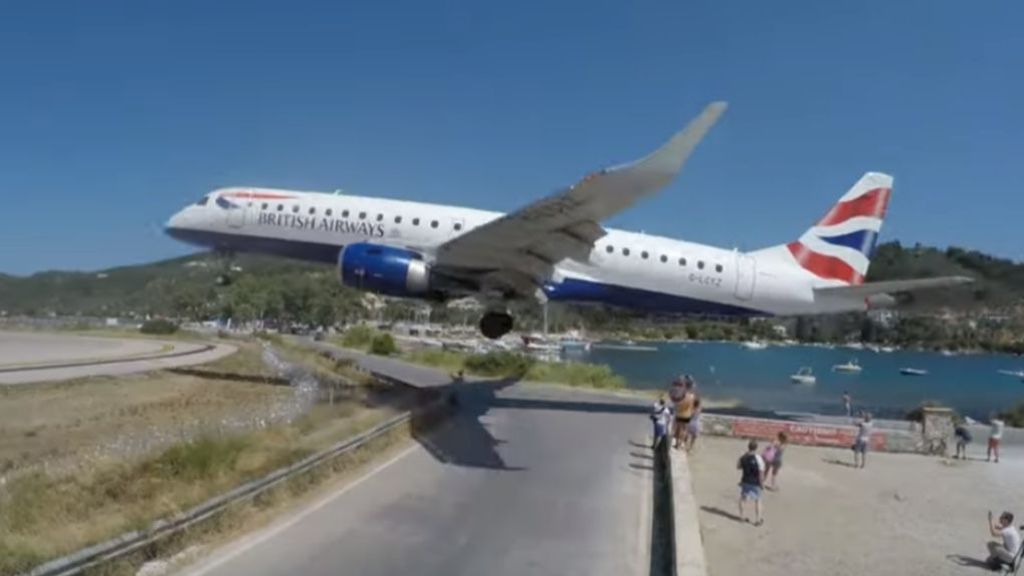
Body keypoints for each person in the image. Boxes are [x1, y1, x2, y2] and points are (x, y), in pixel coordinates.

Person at [737, 439, 765, 526]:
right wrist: (762, 483)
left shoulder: (743, 457)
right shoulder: (758, 458)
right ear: (756, 448)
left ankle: (742, 517)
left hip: (745, 480)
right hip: (755, 482)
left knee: (743, 499)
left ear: (748, 447)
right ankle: (758, 520)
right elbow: (761, 472)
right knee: (758, 500)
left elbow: (738, 467)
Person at [674, 378, 698, 450]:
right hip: (687, 415)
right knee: (684, 429)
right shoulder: (692, 396)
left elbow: (678, 403)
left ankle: (677, 444)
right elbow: (692, 406)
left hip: (679, 413)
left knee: (679, 428)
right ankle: (680, 443)